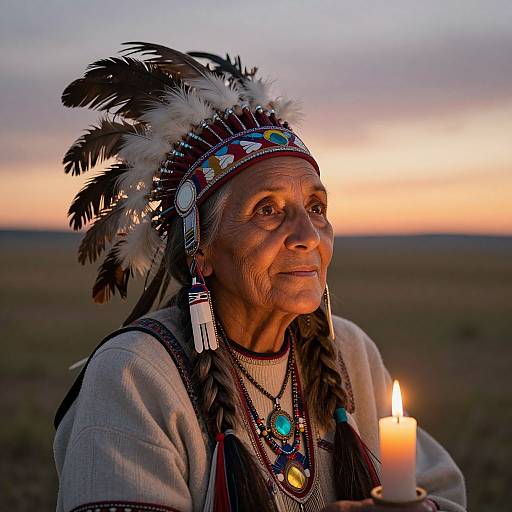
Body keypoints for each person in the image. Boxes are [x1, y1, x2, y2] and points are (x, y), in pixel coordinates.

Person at [53, 43, 467, 512]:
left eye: (316, 208)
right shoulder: (136, 374)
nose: (308, 236)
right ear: (200, 253)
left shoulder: (350, 352)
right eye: (267, 210)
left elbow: (441, 491)